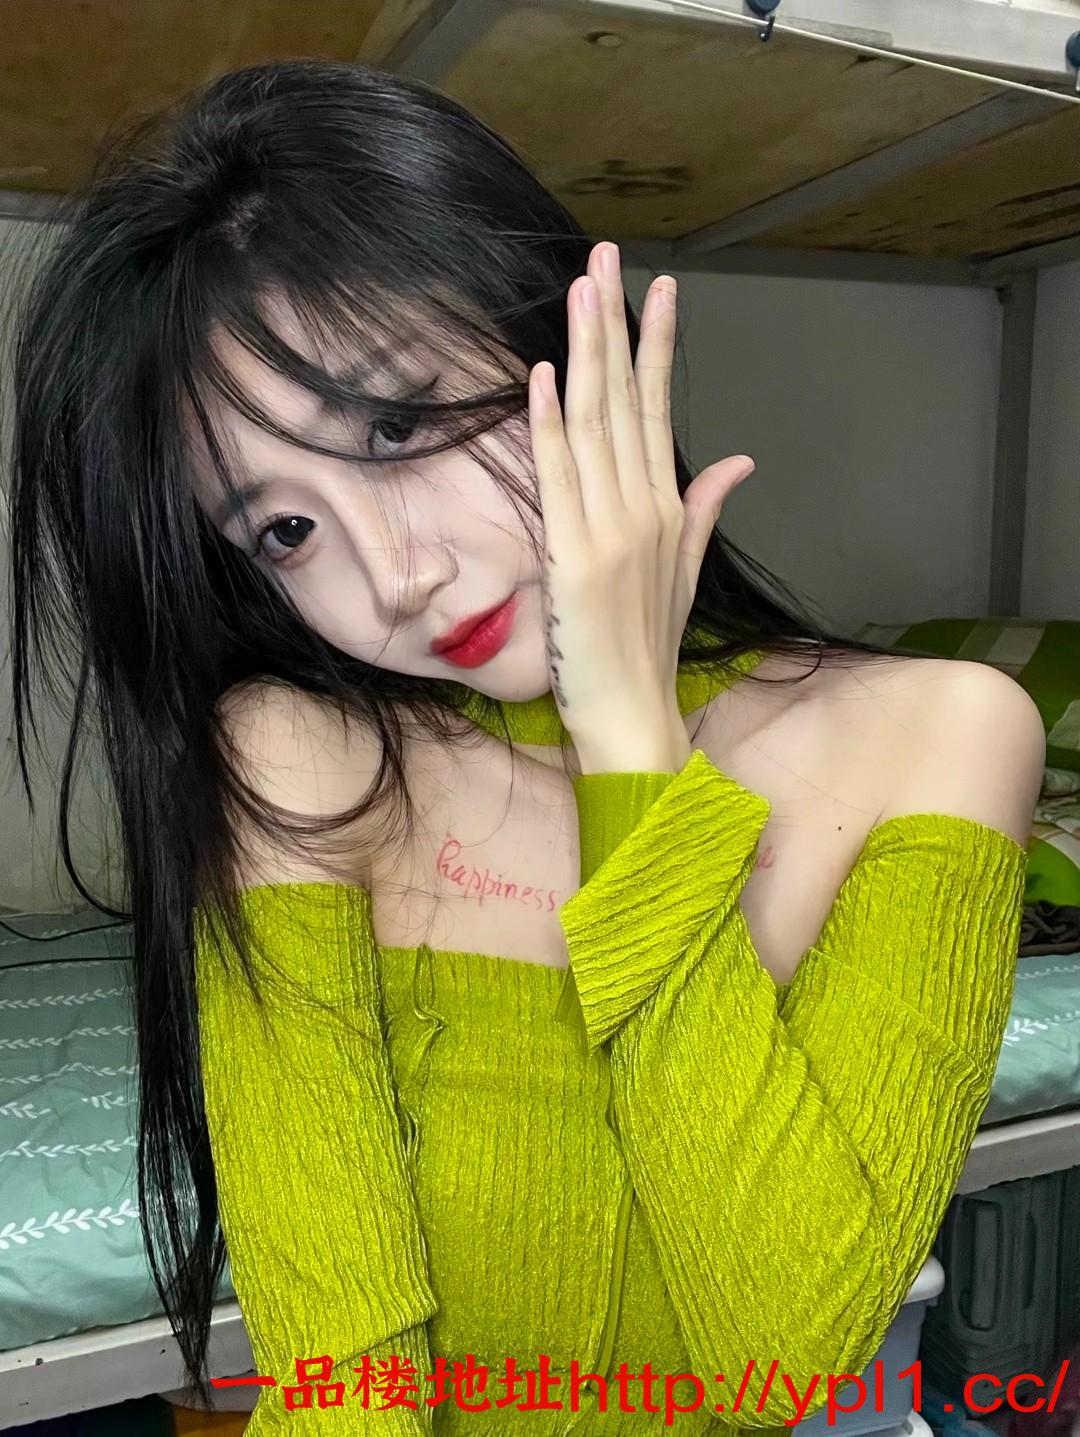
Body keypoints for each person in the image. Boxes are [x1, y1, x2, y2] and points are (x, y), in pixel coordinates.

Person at [6, 57, 1045, 1436]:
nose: (393, 576)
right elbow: (343, 1389)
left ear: (559, 332)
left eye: (395, 424)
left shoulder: (943, 731)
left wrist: (629, 741)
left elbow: (783, 1353)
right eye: (285, 529)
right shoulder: (305, 763)